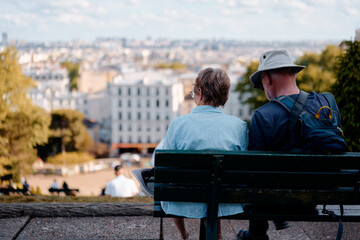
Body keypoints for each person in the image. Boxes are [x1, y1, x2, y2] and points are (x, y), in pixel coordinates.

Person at [236, 49, 347, 240]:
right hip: (323, 194)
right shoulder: (327, 102)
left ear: (267, 79)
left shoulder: (264, 116)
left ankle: (257, 235)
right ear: (294, 73)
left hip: (281, 200)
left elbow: (255, 177)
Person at [156, 67, 248, 240]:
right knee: (218, 179)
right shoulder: (239, 126)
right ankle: (217, 232)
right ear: (225, 96)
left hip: (182, 199)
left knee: (171, 178)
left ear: (199, 91)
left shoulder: (178, 124)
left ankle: (182, 233)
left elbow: (164, 166)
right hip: (226, 201)